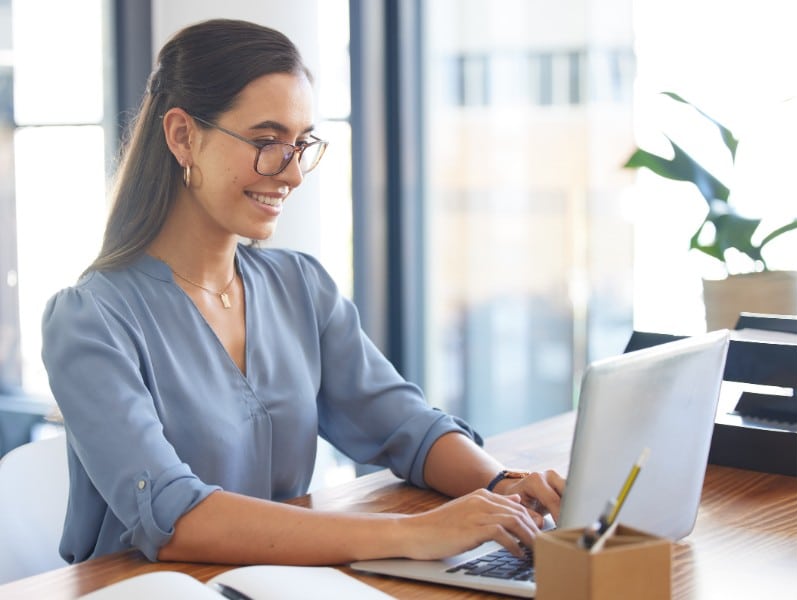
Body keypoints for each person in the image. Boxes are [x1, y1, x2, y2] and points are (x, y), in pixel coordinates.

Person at [41, 18, 564, 566]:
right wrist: (414, 533)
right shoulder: (89, 320)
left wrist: (500, 484)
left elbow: (405, 426)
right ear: (182, 136)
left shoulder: (299, 287)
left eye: (301, 144)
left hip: (279, 581)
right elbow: (174, 518)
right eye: (268, 142)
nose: (291, 175)